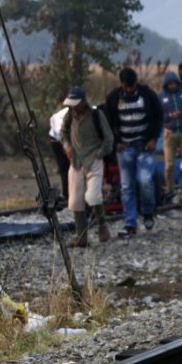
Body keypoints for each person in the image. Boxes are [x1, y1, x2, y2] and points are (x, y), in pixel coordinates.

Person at [104, 67, 163, 236]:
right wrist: (115, 142)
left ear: (136, 82)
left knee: (145, 181)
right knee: (127, 186)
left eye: (131, 86)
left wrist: (153, 138)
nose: (129, 89)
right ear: (121, 84)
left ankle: (148, 212)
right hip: (124, 148)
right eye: (126, 86)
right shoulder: (114, 98)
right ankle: (130, 223)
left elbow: (158, 116)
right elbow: (108, 122)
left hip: (144, 146)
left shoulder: (147, 95)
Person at [59, 86, 114, 247]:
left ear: (83, 101)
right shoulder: (70, 115)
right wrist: (67, 146)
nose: (74, 107)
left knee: (93, 196)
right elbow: (63, 132)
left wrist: (100, 153)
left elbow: (108, 138)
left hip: (94, 160)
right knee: (76, 201)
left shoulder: (96, 115)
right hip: (76, 161)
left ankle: (102, 225)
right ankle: (81, 236)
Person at [48, 103, 70, 201]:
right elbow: (59, 133)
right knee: (65, 167)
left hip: (63, 138)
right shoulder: (62, 117)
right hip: (57, 140)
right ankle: (66, 193)